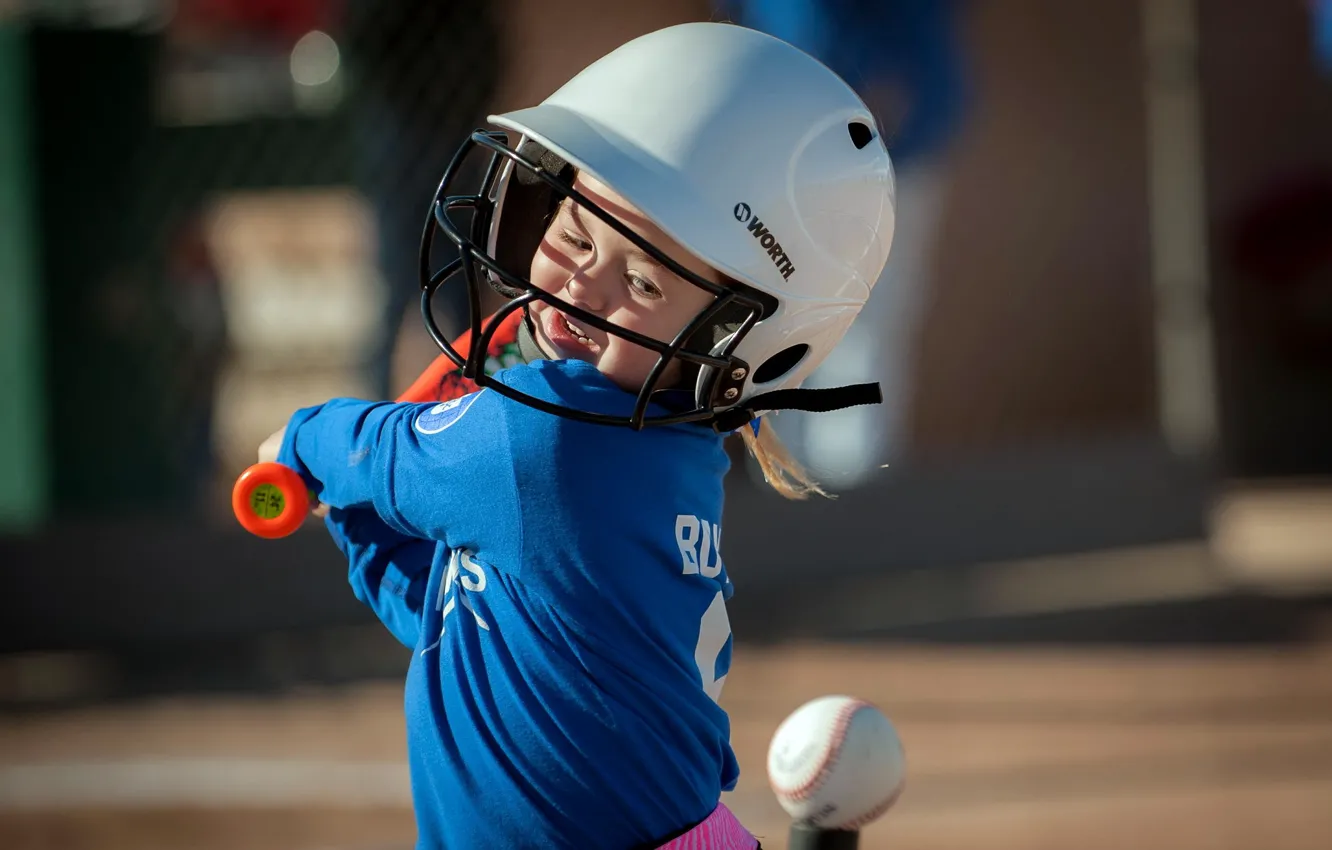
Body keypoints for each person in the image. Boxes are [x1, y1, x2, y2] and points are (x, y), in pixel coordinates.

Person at [262, 22, 895, 849]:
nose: (576, 293)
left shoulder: (548, 438)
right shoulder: (660, 444)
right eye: (572, 234)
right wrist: (355, 520)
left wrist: (301, 441)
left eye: (639, 281)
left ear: (737, 340)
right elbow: (464, 621)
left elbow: (376, 453)